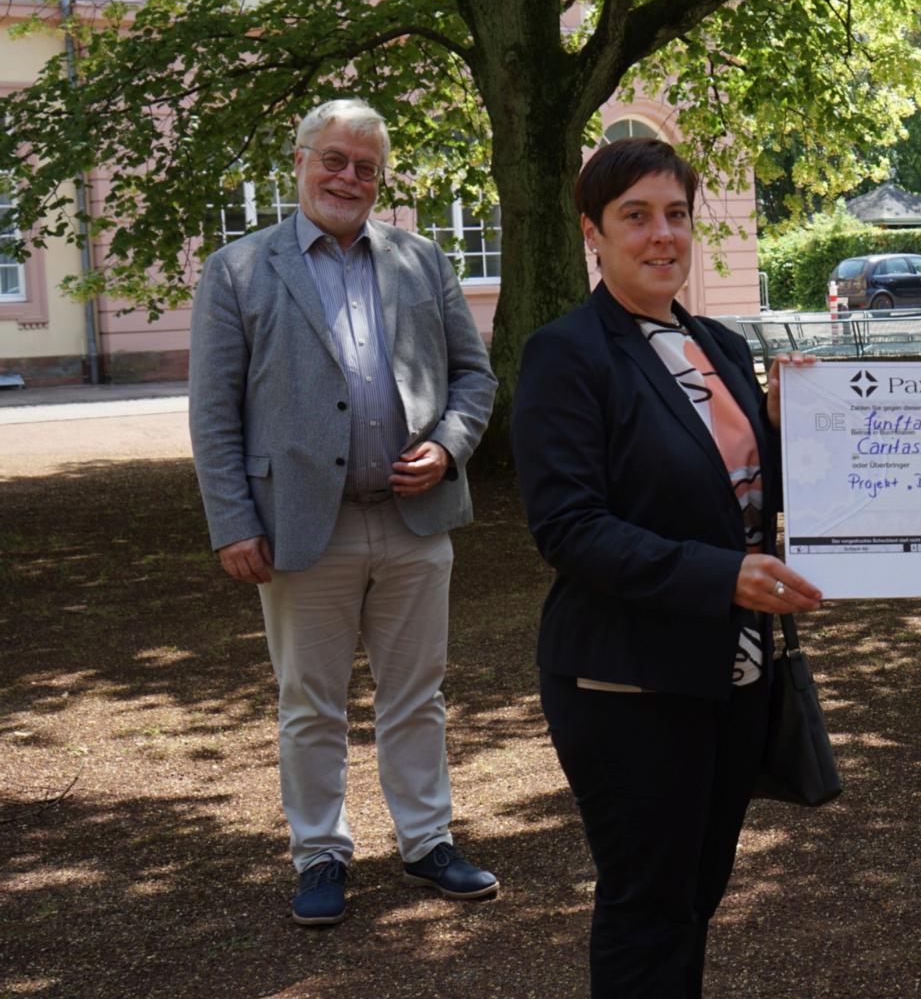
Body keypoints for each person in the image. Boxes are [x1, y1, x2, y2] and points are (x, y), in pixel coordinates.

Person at [512, 137, 823, 997]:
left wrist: (791, 424)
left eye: (677, 215)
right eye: (636, 217)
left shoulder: (719, 344)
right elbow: (569, 529)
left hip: (734, 671)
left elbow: (747, 498)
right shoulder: (567, 355)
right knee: (647, 905)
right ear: (593, 233)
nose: (662, 236)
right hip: (627, 683)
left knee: (696, 897)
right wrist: (722, 576)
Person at [187, 99, 499, 926]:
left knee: (417, 693)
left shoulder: (421, 260)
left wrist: (449, 447)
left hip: (414, 520)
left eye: (365, 166)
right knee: (309, 701)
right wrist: (232, 521)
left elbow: (475, 379)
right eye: (333, 159)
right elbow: (214, 411)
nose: (348, 178)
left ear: (380, 178)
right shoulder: (241, 269)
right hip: (298, 524)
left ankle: (428, 841)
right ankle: (320, 852)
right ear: (298, 161)